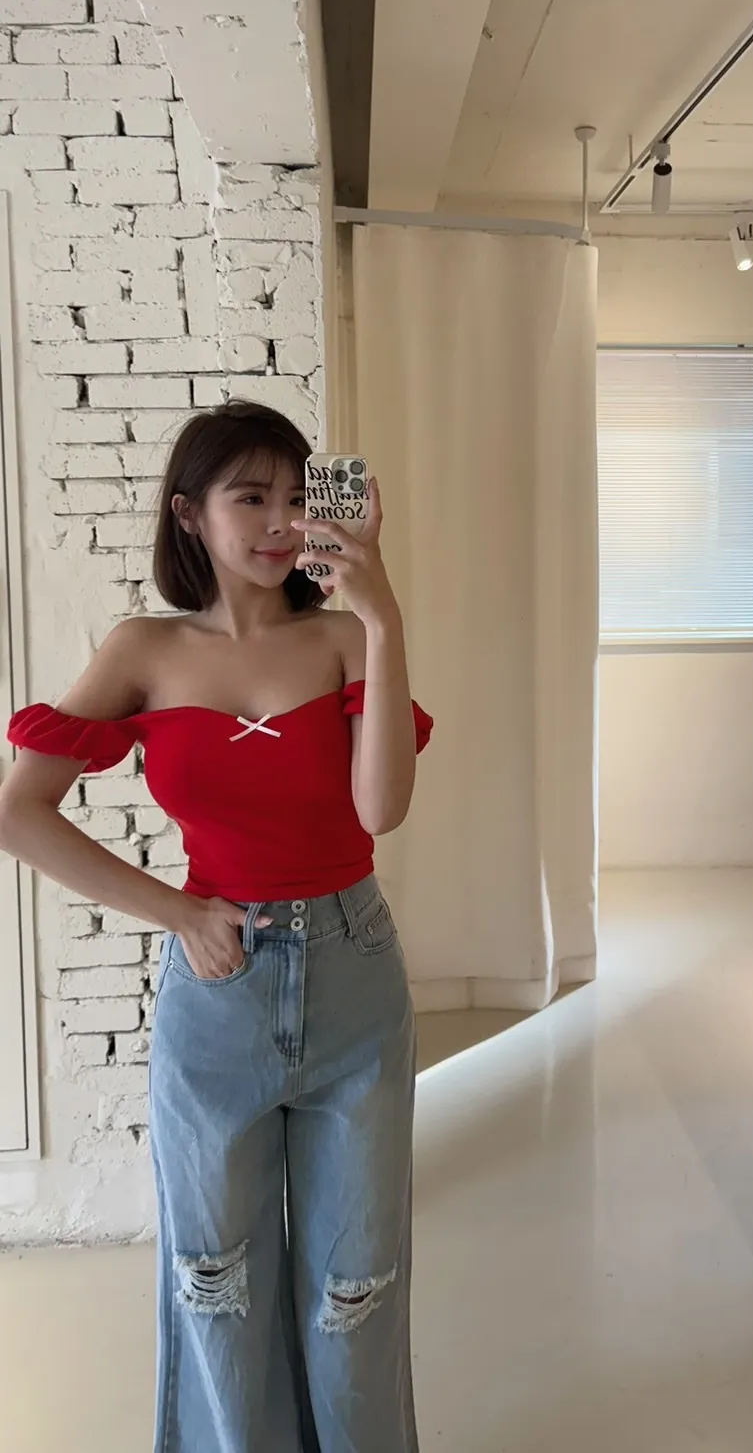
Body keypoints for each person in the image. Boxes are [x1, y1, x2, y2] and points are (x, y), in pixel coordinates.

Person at [0, 400, 432, 1453]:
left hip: (354, 978)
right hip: (218, 990)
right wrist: (178, 910)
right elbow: (19, 810)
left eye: (295, 496)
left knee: (357, 1283)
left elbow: (381, 811)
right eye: (251, 497)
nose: (281, 521)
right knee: (216, 1279)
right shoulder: (142, 649)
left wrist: (382, 618)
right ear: (190, 513)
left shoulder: (342, 638)